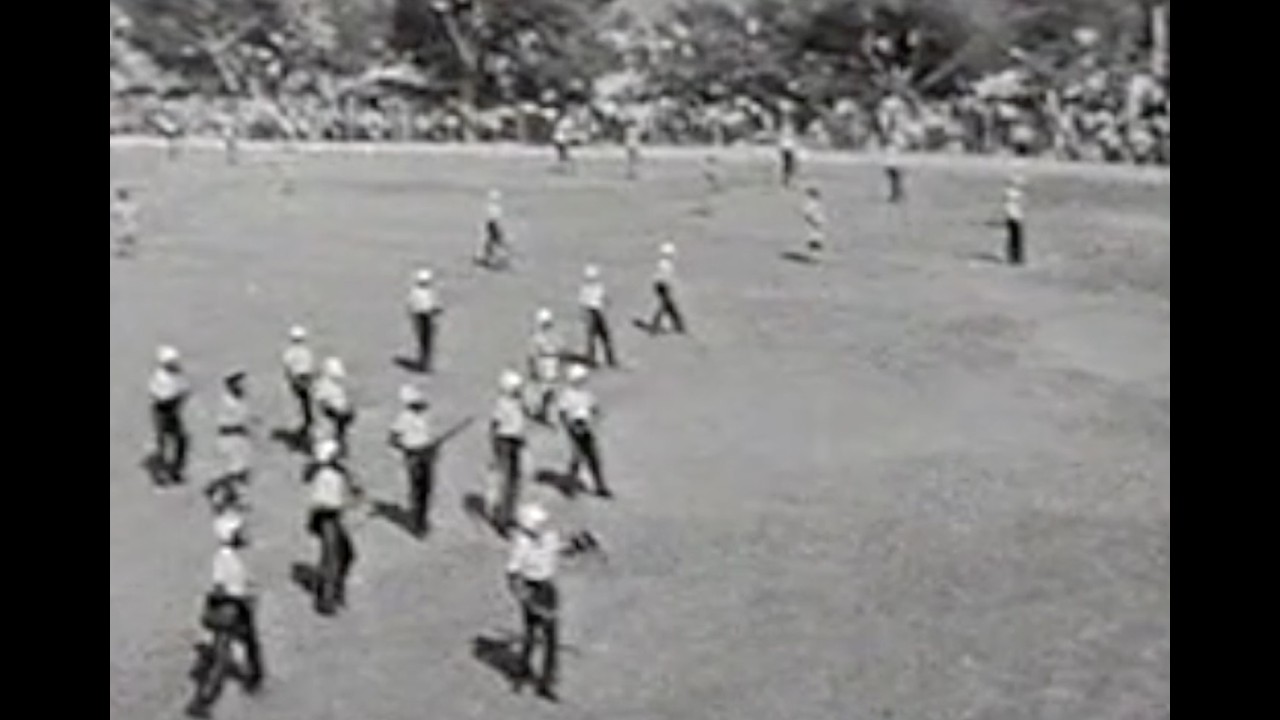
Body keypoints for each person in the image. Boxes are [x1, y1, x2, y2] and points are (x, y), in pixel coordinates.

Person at [186, 511, 264, 718]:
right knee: (223, 656)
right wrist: (240, 596)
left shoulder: (230, 556)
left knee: (250, 644)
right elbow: (220, 587)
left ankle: (254, 678)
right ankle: (202, 700)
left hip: (237, 608)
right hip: (231, 610)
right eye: (240, 532)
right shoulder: (225, 558)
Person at [506, 503, 562, 701]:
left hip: (547, 588)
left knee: (550, 639)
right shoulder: (520, 544)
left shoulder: (549, 537)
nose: (543, 525)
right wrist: (527, 600)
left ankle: (545, 681)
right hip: (532, 588)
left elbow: (561, 549)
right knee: (530, 635)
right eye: (539, 523)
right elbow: (513, 576)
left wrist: (582, 543)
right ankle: (521, 673)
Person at [305, 439, 357, 615]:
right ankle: (327, 599)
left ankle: (333, 590)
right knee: (332, 559)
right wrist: (342, 504)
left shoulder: (335, 473)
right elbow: (322, 502)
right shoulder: (326, 476)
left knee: (344, 555)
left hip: (332, 519)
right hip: (328, 520)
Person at [388, 384, 435, 537]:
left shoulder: (423, 416)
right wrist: (406, 448)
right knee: (416, 490)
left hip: (426, 453)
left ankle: (422, 519)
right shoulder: (403, 418)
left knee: (426, 490)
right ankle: (417, 523)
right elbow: (393, 438)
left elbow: (428, 435)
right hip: (414, 455)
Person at [558, 364, 610, 498]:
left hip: (586, 426)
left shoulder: (586, 394)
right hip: (575, 425)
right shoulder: (567, 395)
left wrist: (595, 418)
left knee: (592, 456)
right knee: (578, 456)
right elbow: (563, 413)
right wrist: (570, 426)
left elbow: (594, 407)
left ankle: (600, 485)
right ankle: (570, 485)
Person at [205, 371, 252, 513]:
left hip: (240, 437)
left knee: (242, 470)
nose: (243, 385)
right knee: (234, 470)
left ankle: (237, 497)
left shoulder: (241, 398)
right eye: (238, 382)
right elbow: (224, 422)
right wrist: (239, 425)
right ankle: (220, 498)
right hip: (229, 438)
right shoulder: (226, 401)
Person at [490, 370, 528, 535]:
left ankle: (510, 514)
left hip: (516, 441)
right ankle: (502, 520)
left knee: (515, 479)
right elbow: (495, 425)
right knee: (505, 481)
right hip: (505, 441)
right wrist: (496, 447)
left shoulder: (517, 402)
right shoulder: (502, 403)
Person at [149, 345, 190, 485]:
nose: (175, 364)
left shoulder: (177, 373)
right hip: (162, 411)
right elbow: (158, 395)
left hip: (173, 409)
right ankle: (160, 475)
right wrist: (176, 397)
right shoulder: (159, 377)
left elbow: (185, 386)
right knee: (163, 443)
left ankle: (176, 469)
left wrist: (182, 395)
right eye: (172, 362)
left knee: (182, 440)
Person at [527, 308, 563, 424]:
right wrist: (533, 368)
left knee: (550, 389)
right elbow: (532, 354)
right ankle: (543, 412)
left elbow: (559, 348)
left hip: (551, 363)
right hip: (544, 364)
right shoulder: (537, 338)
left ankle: (543, 411)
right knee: (546, 389)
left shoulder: (551, 336)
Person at [579, 264, 618, 368]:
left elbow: (583, 303)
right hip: (594, 313)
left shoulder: (589, 288)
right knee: (601, 337)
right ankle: (608, 360)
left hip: (595, 312)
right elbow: (585, 303)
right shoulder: (592, 288)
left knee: (596, 338)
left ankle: (597, 360)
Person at [282, 326, 316, 442]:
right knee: (306, 404)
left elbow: (287, 369)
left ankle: (306, 425)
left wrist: (292, 381)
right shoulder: (305, 352)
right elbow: (310, 367)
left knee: (303, 404)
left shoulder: (289, 353)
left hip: (299, 379)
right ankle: (307, 425)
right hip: (303, 379)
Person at [315, 357, 355, 456]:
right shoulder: (323, 385)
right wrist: (335, 408)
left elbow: (341, 398)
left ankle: (340, 449)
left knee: (339, 432)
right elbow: (322, 401)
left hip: (340, 415)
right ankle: (328, 454)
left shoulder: (335, 385)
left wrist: (346, 407)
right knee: (329, 437)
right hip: (331, 416)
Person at [644, 242, 686, 334]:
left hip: (661, 286)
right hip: (663, 286)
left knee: (668, 306)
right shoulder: (665, 264)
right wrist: (669, 287)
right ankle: (656, 327)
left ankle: (679, 325)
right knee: (666, 306)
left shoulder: (664, 263)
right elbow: (665, 277)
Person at [407, 268, 442, 373]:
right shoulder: (425, 292)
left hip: (419, 317)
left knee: (424, 341)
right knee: (426, 342)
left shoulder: (414, 292)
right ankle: (425, 363)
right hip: (424, 317)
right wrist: (435, 310)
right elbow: (429, 306)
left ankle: (424, 362)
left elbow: (411, 306)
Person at [476, 189, 512, 269]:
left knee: (490, 246)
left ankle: (488, 259)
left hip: (493, 237)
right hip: (493, 237)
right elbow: (496, 235)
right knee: (490, 246)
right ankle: (489, 259)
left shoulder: (492, 226)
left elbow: (495, 234)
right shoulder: (492, 226)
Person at [1004, 174, 1026, 266]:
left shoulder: (1010, 193)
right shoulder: (1013, 193)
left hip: (1013, 217)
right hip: (1014, 217)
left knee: (1014, 238)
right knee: (1016, 238)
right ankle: (1015, 257)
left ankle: (1014, 257)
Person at [111, 187, 139, 258]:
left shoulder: (116, 205)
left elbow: (114, 215)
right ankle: (128, 251)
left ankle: (123, 251)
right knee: (128, 239)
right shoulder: (132, 205)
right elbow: (136, 214)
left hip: (121, 225)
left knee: (121, 239)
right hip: (130, 224)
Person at [802, 186, 827, 257]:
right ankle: (814, 254)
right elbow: (808, 214)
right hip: (813, 223)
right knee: (814, 237)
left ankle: (816, 254)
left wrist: (821, 221)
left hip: (818, 222)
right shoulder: (810, 204)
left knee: (819, 237)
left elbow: (820, 213)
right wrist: (812, 221)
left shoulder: (816, 203)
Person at [779, 120, 798, 188]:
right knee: (788, 166)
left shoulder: (786, 132)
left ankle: (786, 181)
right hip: (786, 149)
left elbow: (793, 141)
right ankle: (786, 181)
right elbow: (782, 141)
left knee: (788, 166)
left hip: (788, 149)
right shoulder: (787, 132)